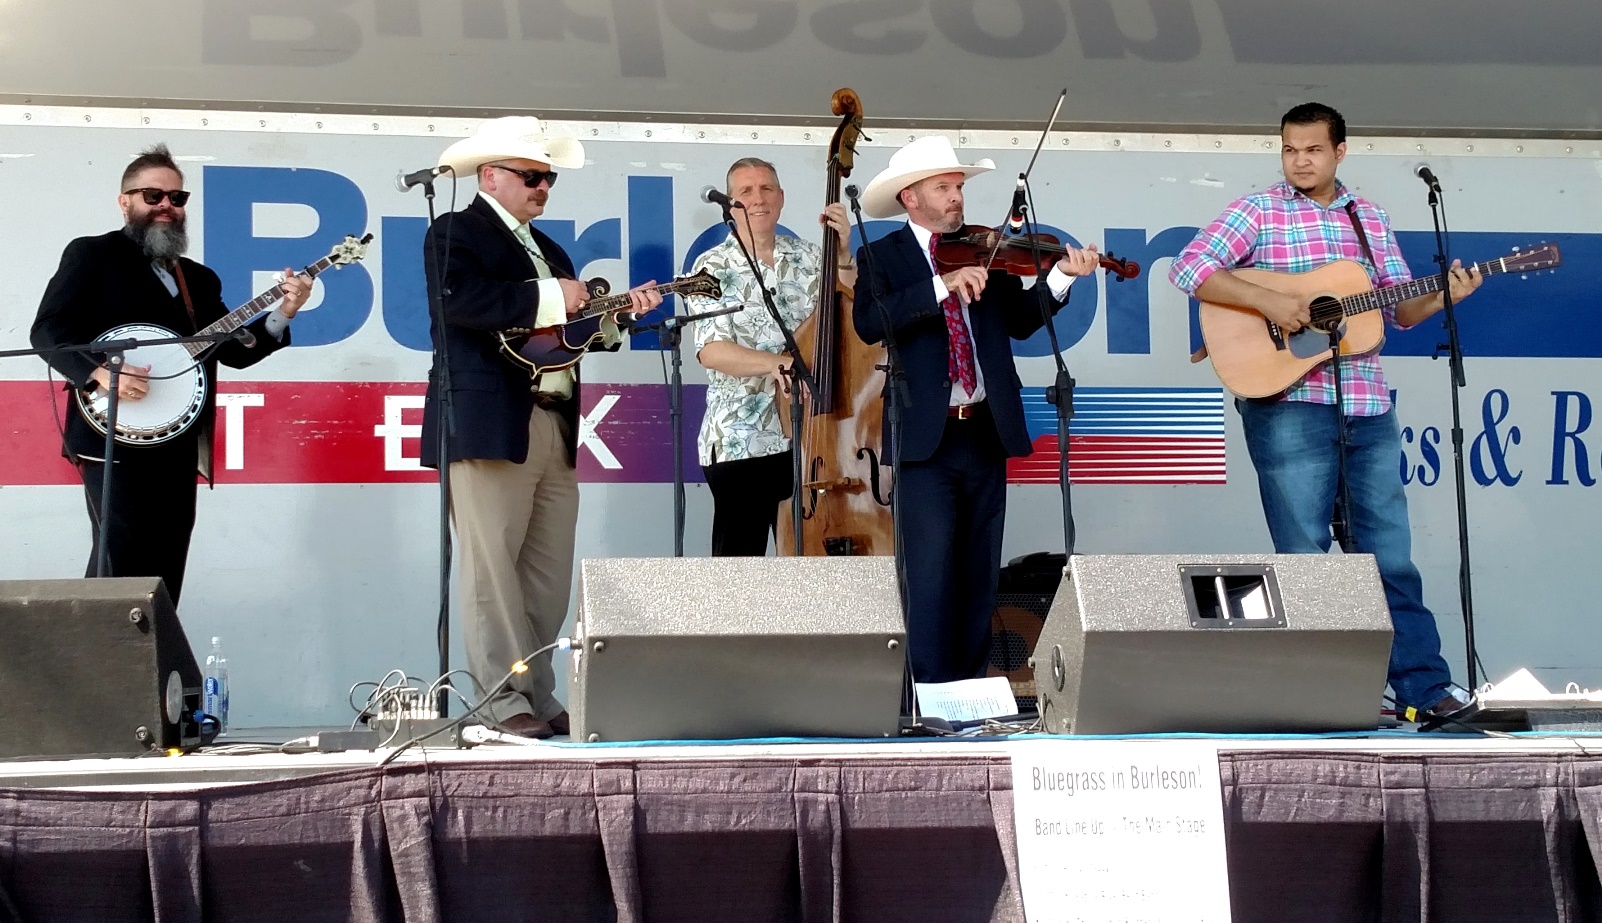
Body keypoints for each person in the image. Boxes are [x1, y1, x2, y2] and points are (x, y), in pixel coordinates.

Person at [1168, 102, 1484, 719]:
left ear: (1340, 151)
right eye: (1290, 150)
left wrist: (1447, 295)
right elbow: (1191, 267)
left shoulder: (1369, 217)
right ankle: (1312, 697)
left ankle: (1424, 692)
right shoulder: (1259, 210)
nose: (1300, 161)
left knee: (1390, 557)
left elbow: (1399, 309)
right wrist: (1272, 304)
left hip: (1366, 403)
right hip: (1289, 402)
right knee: (1305, 558)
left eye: (1313, 150)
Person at [420, 117, 661, 739]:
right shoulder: (455, 231)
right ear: (490, 176)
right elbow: (459, 302)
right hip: (489, 419)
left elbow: (563, 339)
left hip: (552, 421)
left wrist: (614, 316)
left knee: (546, 573)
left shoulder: (551, 250)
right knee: (491, 572)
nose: (544, 187)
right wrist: (556, 296)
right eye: (532, 176)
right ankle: (501, 702)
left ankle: (537, 690)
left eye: (548, 178)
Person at [851, 136, 1099, 686]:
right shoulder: (882, 255)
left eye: (958, 187)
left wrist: (1061, 276)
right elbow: (870, 323)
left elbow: (1022, 321)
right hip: (925, 437)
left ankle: (968, 695)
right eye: (943, 187)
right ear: (911, 197)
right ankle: (928, 694)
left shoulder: (986, 247)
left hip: (984, 430)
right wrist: (940, 286)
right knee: (930, 572)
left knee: (977, 573)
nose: (956, 197)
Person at [30, 144, 311, 605]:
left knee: (166, 568)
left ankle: (156, 651)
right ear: (125, 202)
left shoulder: (198, 279)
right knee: (118, 561)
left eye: (177, 198)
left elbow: (234, 352)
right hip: (111, 438)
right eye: (153, 196)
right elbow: (48, 331)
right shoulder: (92, 255)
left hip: (177, 443)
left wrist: (285, 311)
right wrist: (101, 373)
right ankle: (104, 651)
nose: (166, 206)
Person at [686, 157, 856, 556]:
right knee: (741, 567)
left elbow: (851, 316)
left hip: (813, 438)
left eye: (766, 189)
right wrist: (781, 364)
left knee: (810, 563)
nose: (758, 199)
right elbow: (711, 350)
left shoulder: (812, 256)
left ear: (781, 198)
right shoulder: (710, 266)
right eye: (745, 192)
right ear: (731, 205)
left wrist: (844, 254)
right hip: (741, 439)